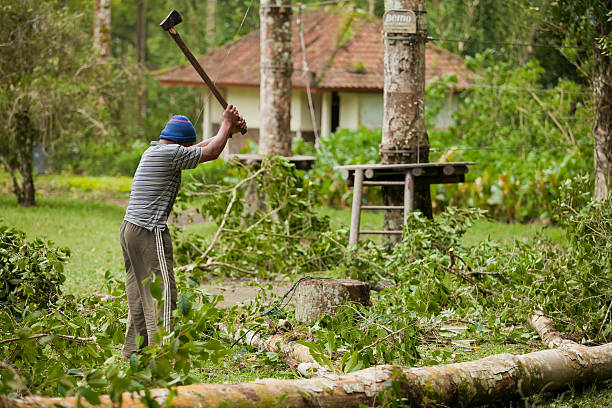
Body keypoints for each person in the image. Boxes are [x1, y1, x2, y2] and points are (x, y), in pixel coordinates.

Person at [120, 105, 245, 360]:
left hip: (129, 230)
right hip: (148, 231)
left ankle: (134, 353)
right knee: (164, 293)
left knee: (140, 294)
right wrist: (226, 122)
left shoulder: (156, 150)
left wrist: (227, 130)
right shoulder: (170, 154)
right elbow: (209, 152)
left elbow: (200, 147)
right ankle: (163, 354)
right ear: (180, 144)